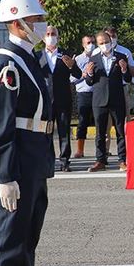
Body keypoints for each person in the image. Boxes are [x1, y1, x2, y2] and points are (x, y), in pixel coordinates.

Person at [0, 0, 60, 266]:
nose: (41, 25)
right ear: (16, 23)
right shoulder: (7, 62)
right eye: (35, 20)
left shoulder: (28, 58)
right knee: (9, 236)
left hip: (33, 159)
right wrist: (4, 176)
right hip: (15, 164)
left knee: (27, 236)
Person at [85, 31, 131, 172]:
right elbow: (89, 82)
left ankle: (122, 160)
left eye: (106, 41)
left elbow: (128, 78)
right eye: (101, 43)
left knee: (120, 131)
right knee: (100, 132)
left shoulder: (121, 57)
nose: (105, 45)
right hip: (99, 100)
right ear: (98, 45)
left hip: (117, 98)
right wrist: (90, 73)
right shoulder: (94, 58)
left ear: (111, 41)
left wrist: (124, 70)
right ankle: (100, 160)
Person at [39, 26, 81, 172]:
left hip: (63, 99)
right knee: (46, 132)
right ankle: (49, 161)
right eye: (48, 34)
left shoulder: (66, 54)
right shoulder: (37, 56)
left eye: (53, 34)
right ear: (43, 38)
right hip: (45, 101)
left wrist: (71, 66)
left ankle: (65, 161)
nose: (51, 36)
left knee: (64, 131)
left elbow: (78, 74)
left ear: (58, 36)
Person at [72, 35, 95, 159]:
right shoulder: (78, 59)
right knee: (83, 122)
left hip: (97, 93)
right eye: (88, 42)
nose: (90, 44)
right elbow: (71, 78)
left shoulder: (98, 57)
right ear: (83, 44)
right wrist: (83, 74)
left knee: (101, 121)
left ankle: (102, 151)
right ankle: (80, 150)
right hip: (84, 93)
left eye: (92, 42)